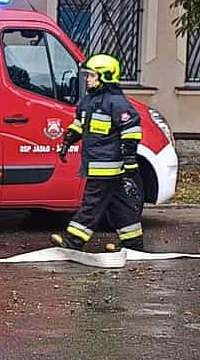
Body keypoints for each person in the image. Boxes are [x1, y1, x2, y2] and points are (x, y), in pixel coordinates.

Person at [53, 52, 146, 253]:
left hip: (107, 166)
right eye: (87, 75)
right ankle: (133, 244)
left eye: (92, 76)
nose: (87, 79)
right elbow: (79, 124)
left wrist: (129, 158)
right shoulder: (88, 101)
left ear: (106, 76)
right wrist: (69, 140)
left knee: (91, 204)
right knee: (119, 205)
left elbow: (131, 130)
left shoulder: (116, 102)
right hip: (96, 163)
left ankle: (73, 242)